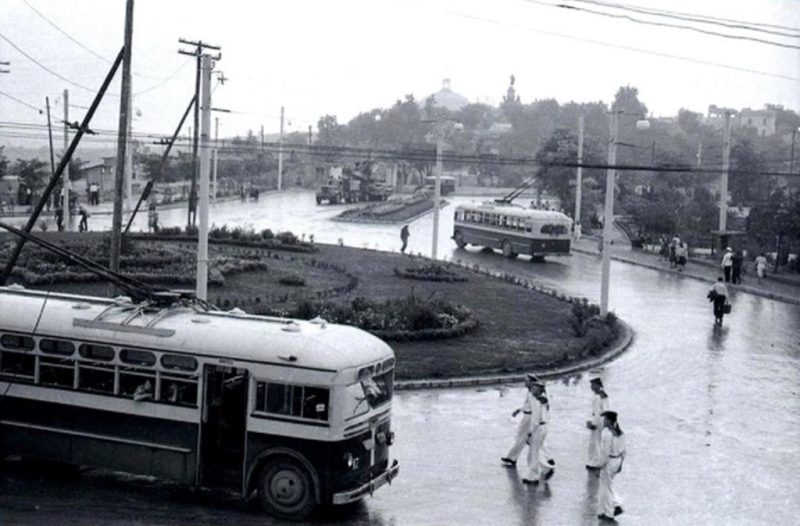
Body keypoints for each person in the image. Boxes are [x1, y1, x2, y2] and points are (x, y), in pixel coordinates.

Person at [522, 380, 555, 484]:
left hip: (538, 428)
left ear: (539, 391)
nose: (532, 390)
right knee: (534, 452)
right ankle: (545, 468)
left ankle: (533, 477)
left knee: (534, 453)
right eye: (532, 388)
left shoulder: (538, 401)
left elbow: (535, 419)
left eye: (535, 388)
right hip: (543, 427)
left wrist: (530, 432)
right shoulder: (542, 400)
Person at [502, 374, 538, 467]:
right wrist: (519, 410)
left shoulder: (533, 394)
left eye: (527, 381)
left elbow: (534, 407)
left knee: (522, 437)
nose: (525, 382)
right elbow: (526, 405)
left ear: (532, 382)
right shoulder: (529, 392)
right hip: (526, 416)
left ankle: (512, 457)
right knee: (526, 439)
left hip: (529, 418)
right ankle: (513, 457)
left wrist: (533, 422)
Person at [597, 410, 626, 521]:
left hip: (609, 461)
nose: (603, 421)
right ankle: (604, 510)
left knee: (606, 487)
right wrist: (621, 463)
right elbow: (624, 451)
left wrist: (599, 465)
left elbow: (605, 452)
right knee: (608, 485)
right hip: (617, 460)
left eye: (605, 419)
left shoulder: (607, 433)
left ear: (609, 420)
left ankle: (610, 511)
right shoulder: (620, 433)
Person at [586, 374, 610, 470]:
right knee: (598, 441)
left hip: (598, 420)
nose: (591, 387)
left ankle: (595, 462)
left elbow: (597, 412)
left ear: (597, 385)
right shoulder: (603, 395)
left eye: (592, 384)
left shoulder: (597, 397)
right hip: (602, 419)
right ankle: (597, 460)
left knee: (595, 442)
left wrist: (593, 423)